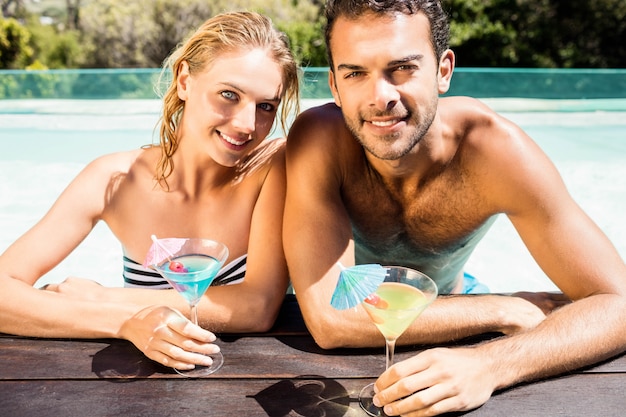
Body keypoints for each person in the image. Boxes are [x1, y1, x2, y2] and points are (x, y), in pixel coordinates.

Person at [283, 0, 626, 414]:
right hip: (461, 312)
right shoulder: (319, 141)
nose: (381, 96)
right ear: (335, 86)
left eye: (403, 68)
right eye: (355, 73)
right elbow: (330, 318)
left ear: (443, 71)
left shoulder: (496, 153)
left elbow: (618, 302)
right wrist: (502, 307)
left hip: (455, 313)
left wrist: (490, 363)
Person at [0, 11, 299, 371]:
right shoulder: (113, 180)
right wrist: (125, 323)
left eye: (265, 106)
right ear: (185, 80)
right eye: (228, 95)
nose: (247, 124)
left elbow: (256, 307)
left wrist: (104, 297)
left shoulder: (273, 166)